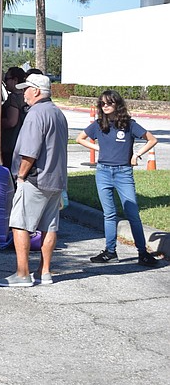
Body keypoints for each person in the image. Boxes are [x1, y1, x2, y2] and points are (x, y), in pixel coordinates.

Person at [0, 74, 68, 287]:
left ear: (36, 91)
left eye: (26, 88)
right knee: (49, 227)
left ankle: (22, 274)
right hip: (55, 179)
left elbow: (29, 152)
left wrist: (21, 176)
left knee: (20, 225)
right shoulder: (58, 112)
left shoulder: (36, 114)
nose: (23, 93)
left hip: (35, 178)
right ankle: (45, 272)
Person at [76, 90, 159, 266]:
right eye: (102, 104)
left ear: (117, 105)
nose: (105, 106)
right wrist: (99, 150)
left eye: (109, 103)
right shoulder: (99, 125)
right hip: (103, 172)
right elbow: (80, 138)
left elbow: (152, 140)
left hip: (123, 173)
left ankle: (142, 253)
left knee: (132, 214)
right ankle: (110, 251)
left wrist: (136, 154)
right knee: (109, 214)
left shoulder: (129, 124)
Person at [1, 67, 28, 169]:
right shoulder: (26, 97)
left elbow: (11, 121)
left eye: (6, 79)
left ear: (15, 80)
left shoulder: (14, 98)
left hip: (11, 143)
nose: (5, 82)